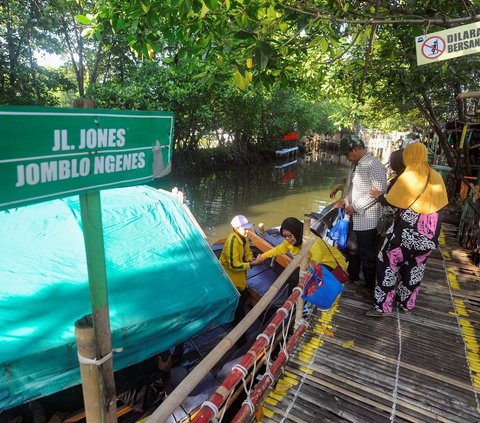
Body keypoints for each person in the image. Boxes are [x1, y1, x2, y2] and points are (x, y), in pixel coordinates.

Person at [366, 142, 448, 316]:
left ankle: (382, 307)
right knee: (415, 270)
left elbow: (392, 202)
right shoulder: (437, 176)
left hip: (405, 234)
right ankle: (406, 305)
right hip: (429, 235)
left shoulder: (409, 176)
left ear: (409, 156)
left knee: (387, 264)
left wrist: (379, 197)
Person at [333, 134, 387, 296]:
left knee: (366, 252)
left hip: (367, 218)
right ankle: (353, 276)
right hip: (353, 215)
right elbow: (353, 188)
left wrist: (355, 206)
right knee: (352, 248)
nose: (346, 157)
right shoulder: (356, 165)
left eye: (347, 154)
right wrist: (344, 201)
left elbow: (377, 192)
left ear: (356, 149)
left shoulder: (374, 165)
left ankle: (370, 286)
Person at [254, 217, 347, 292]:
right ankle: (294, 299)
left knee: (299, 276)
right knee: (294, 276)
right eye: (284, 236)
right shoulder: (289, 241)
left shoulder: (310, 238)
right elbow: (278, 249)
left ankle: (301, 300)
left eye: (289, 235)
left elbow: (318, 254)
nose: (288, 239)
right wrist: (262, 257)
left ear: (296, 231)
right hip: (314, 263)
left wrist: (311, 264)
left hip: (330, 263)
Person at [219, 215, 262, 345]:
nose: (247, 231)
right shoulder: (232, 241)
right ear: (236, 228)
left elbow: (248, 252)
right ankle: (241, 341)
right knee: (240, 313)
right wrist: (253, 264)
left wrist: (251, 259)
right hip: (231, 281)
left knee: (244, 297)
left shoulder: (243, 239)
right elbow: (234, 265)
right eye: (244, 229)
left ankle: (231, 314)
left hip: (239, 280)